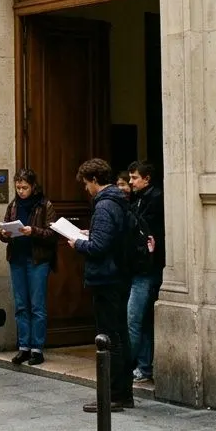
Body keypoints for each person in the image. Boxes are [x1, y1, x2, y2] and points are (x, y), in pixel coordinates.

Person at [68, 158, 133, 412]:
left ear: (95, 180)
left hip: (107, 279)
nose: (86, 189)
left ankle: (113, 395)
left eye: (86, 184)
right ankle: (123, 393)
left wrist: (78, 243)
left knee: (109, 338)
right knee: (120, 335)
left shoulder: (105, 205)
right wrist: (91, 234)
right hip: (118, 275)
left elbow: (99, 247)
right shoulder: (119, 201)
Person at [0, 169, 58, 366]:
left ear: (33, 186)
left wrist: (33, 231)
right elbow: (4, 230)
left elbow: (52, 233)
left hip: (37, 260)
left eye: (24, 187)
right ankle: (23, 346)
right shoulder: (13, 205)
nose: (21, 191)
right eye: (18, 187)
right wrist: (4, 234)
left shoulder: (44, 205)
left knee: (37, 305)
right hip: (17, 258)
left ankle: (37, 348)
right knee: (21, 305)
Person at [127, 160, 165, 384]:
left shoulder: (155, 199)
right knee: (139, 320)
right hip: (138, 266)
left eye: (134, 178)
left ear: (147, 179)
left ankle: (131, 365)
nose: (130, 182)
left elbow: (144, 231)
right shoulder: (138, 199)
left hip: (146, 268)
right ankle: (142, 366)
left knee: (135, 319)